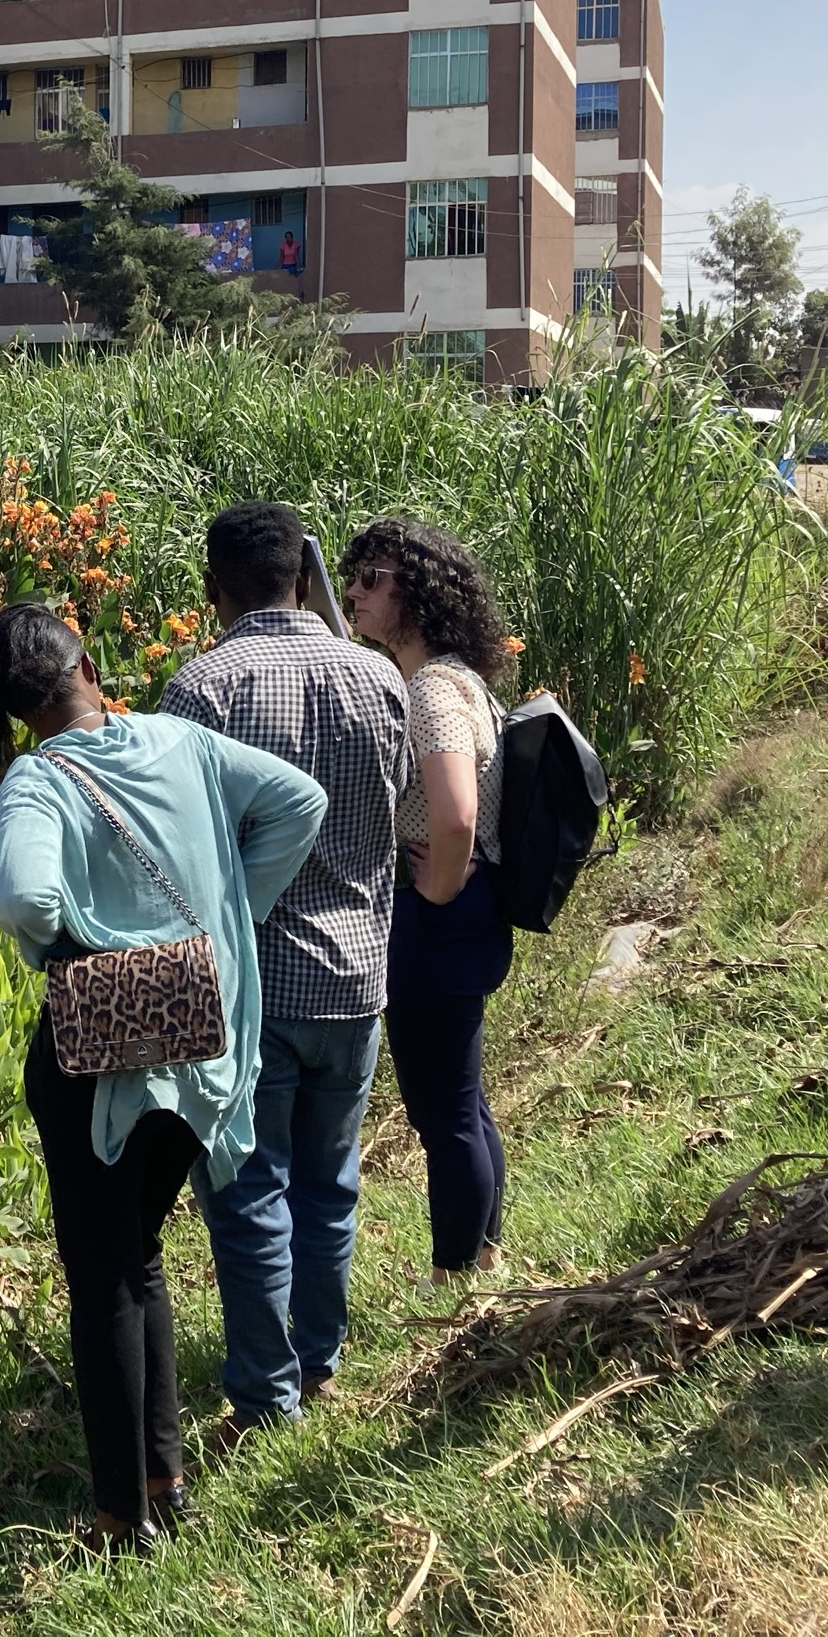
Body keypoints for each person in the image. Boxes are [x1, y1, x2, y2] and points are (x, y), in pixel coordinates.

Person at [0, 603, 327, 1549]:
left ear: (10, 707)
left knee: (103, 1285)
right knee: (143, 1261)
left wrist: (91, 946)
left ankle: (122, 1517)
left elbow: (18, 894)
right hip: (199, 1033)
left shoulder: (36, 780)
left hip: (97, 1058)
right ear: (84, 661)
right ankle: (164, 1483)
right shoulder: (182, 742)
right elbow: (300, 801)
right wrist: (222, 922)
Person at [158, 503, 409, 1441]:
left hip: (252, 989)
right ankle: (320, 1361)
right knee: (329, 1178)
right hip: (355, 978)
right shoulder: (376, 680)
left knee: (249, 1189)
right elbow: (392, 820)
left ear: (213, 589)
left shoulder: (202, 692)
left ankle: (268, 1397)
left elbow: (183, 856)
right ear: (303, 578)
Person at [338, 518, 516, 1283]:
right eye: (353, 575)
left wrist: (436, 888)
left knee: (441, 1111)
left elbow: (455, 813)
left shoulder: (433, 693)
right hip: (459, 913)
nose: (353, 591)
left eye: (371, 578)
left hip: (438, 915)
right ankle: (485, 1250)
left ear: (418, 591)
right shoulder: (454, 679)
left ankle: (454, 1273)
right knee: (462, 1099)